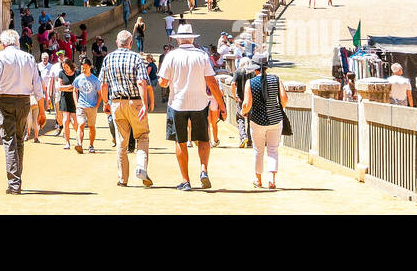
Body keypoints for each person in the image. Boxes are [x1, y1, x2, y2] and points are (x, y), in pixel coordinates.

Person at [159, 24, 226, 191]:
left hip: (178, 103)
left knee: (180, 141)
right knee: (203, 139)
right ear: (192, 38)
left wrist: (171, 82)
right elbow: (212, 81)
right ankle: (203, 170)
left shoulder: (171, 56)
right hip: (199, 103)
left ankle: (185, 180)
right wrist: (222, 104)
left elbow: (162, 82)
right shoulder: (202, 56)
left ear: (178, 39)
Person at [0, 29, 44, 195]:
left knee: (9, 139)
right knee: (19, 138)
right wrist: (42, 110)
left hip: (6, 99)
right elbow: (37, 86)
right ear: (17, 42)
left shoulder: (1, 56)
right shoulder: (29, 58)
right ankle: (17, 178)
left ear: (3, 44)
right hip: (24, 100)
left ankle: (14, 183)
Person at [98, 29, 154, 188]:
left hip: (116, 103)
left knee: (121, 142)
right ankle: (141, 167)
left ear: (117, 42)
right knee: (142, 136)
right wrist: (144, 103)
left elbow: (103, 84)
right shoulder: (136, 57)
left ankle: (123, 179)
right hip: (134, 102)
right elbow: (142, 82)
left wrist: (105, 103)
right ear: (130, 43)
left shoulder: (108, 58)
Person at [240, 51, 288, 189]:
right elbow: (284, 99)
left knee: (258, 150)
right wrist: (278, 108)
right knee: (273, 149)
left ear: (254, 68)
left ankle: (258, 179)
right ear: (266, 67)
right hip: (275, 119)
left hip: (257, 121)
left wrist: (244, 113)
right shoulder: (276, 79)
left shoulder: (250, 82)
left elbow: (246, 104)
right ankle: (272, 179)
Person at [72, 57, 101, 153]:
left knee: (92, 127)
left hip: (92, 106)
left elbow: (99, 93)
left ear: (90, 67)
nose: (83, 70)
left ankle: (91, 145)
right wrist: (76, 103)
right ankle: (79, 144)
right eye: (82, 68)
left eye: (85, 67)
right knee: (81, 124)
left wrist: (97, 105)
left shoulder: (95, 79)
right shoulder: (78, 78)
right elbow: (74, 91)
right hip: (81, 106)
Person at [56, 58, 79, 150]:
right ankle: (67, 142)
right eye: (63, 67)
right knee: (65, 120)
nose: (65, 69)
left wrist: (69, 88)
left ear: (70, 65)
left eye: (66, 67)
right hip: (65, 98)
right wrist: (69, 87)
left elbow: (78, 86)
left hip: (75, 98)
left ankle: (78, 139)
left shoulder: (77, 72)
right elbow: (59, 87)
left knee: (75, 121)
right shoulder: (61, 73)